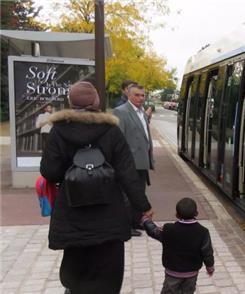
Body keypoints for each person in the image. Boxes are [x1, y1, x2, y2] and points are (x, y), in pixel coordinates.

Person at [40, 81, 153, 293]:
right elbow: (128, 173)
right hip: (108, 213)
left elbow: (49, 171)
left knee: (76, 267)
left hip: (73, 213)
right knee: (108, 270)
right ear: (96, 102)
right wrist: (143, 206)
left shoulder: (59, 131)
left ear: (71, 102)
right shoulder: (110, 130)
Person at [142, 198, 215, 294]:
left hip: (172, 273)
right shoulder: (203, 231)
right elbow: (207, 252)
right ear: (196, 213)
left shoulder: (168, 229)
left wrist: (146, 220)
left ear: (176, 215)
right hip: (191, 274)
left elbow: (154, 232)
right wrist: (209, 267)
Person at [113, 84, 154, 236]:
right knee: (127, 195)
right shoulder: (121, 111)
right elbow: (118, 138)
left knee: (139, 193)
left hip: (142, 161)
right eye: (137, 95)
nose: (140, 98)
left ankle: (137, 221)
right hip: (129, 162)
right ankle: (126, 226)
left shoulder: (141, 112)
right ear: (128, 95)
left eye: (143, 95)